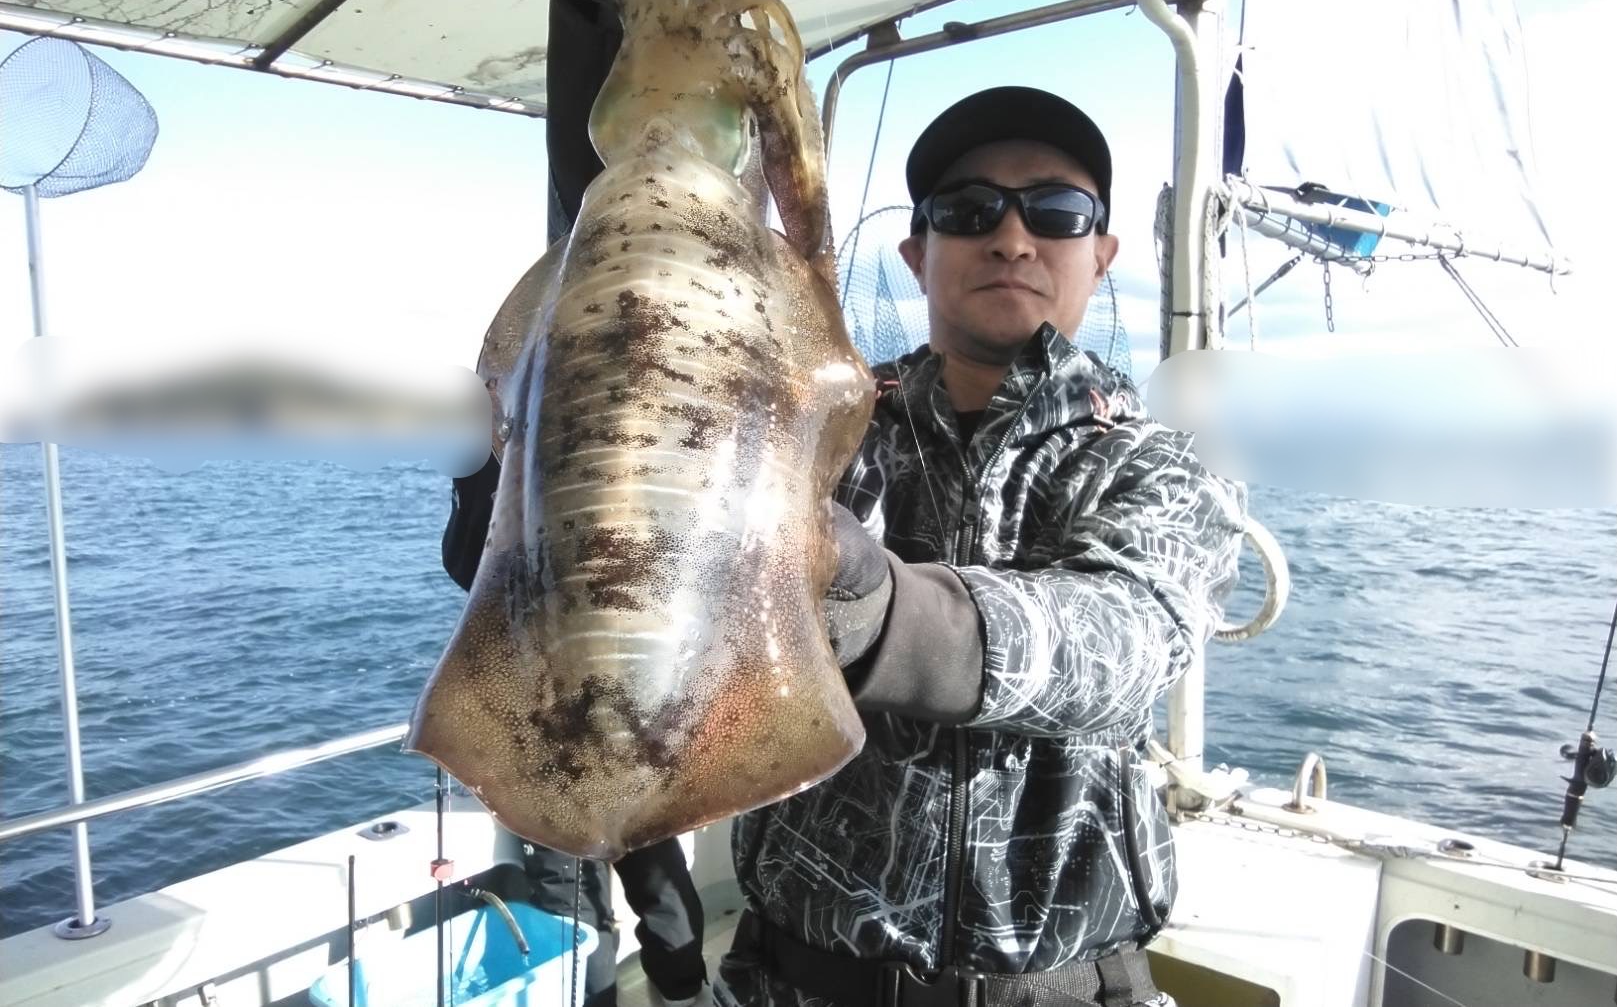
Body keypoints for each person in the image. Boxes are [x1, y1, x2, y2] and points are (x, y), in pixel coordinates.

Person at [716, 86, 1247, 1007]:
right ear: (916, 255)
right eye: (968, 211)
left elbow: (1119, 642)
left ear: (1101, 254)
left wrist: (881, 612)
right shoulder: (809, 434)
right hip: (790, 979)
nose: (1011, 238)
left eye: (1056, 211)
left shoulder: (1161, 464)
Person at [442, 455, 711, 1007]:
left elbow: (468, 568)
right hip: (628, 715)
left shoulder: (507, 465)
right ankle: (681, 994)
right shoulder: (616, 469)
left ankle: (654, 993)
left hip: (558, 724)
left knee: (579, 900)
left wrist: (477, 473)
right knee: (650, 879)